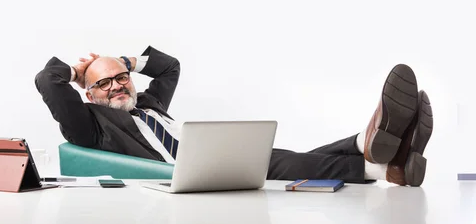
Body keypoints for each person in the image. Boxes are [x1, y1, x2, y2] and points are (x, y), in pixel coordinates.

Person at [35, 46, 433, 186]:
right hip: (183, 169)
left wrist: (123, 60)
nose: (118, 85)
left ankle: (378, 154)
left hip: (206, 154)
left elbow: (170, 67)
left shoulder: (149, 105)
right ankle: (378, 163)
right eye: (105, 83)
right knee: (272, 161)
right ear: (88, 94)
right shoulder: (91, 124)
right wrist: (76, 70)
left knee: (281, 155)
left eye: (121, 78)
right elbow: (46, 81)